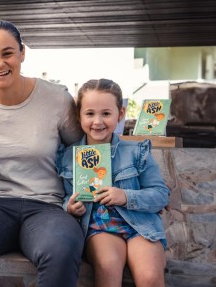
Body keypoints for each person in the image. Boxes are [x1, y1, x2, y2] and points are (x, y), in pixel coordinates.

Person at [0, 20, 85, 287]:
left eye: (8, 53)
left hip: (50, 207)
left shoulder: (57, 99)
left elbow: (82, 152)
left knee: (61, 250)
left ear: (22, 53)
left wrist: (80, 198)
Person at [57, 79, 169, 287]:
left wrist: (126, 196)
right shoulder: (68, 157)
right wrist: (69, 207)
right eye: (90, 113)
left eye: (106, 114)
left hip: (140, 226)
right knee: (108, 268)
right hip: (100, 228)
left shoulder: (137, 152)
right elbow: (63, 197)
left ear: (121, 114)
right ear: (78, 115)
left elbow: (161, 195)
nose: (97, 121)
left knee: (150, 277)